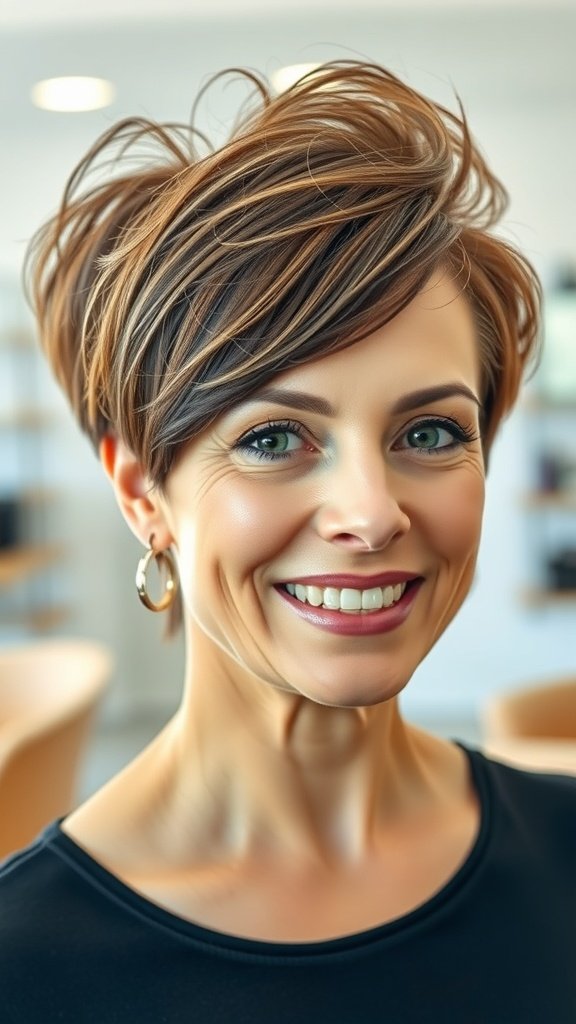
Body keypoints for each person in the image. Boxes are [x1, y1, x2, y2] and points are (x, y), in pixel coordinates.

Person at [0, 61, 574, 1023]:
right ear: (144, 492)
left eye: (428, 433)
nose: (372, 512)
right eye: (273, 439)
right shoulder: (24, 967)